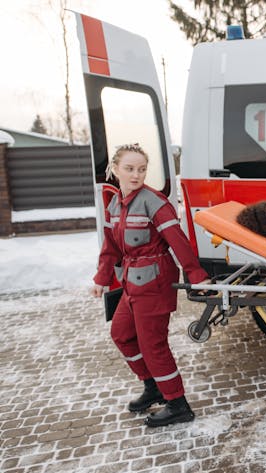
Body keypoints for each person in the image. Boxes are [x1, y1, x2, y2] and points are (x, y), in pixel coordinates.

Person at [90, 143, 210, 428]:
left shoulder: (154, 202)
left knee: (153, 344)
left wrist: (197, 275)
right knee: (121, 334)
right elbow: (111, 247)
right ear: (115, 170)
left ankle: (178, 404)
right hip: (132, 283)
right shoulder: (115, 203)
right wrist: (101, 278)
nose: (136, 175)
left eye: (142, 169)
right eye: (130, 169)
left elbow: (177, 241)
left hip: (155, 282)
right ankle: (153, 386)